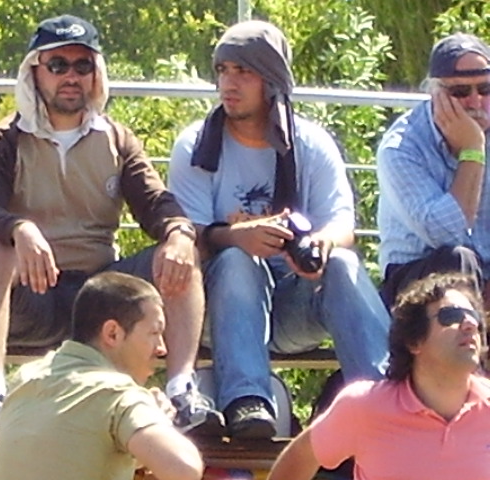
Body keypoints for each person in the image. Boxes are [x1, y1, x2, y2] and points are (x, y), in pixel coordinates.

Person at [0, 13, 223, 434]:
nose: (71, 76)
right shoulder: (5, 139)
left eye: (82, 65)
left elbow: (156, 203)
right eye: (57, 65)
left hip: (99, 301)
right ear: (35, 72)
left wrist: (179, 232)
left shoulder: (117, 139)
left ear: (96, 73)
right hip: (33, 299)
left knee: (180, 249)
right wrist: (19, 228)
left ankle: (181, 390)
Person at [169, 19, 390, 440]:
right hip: (222, 310)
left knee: (343, 263)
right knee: (238, 260)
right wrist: (236, 236)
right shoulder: (196, 145)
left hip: (292, 304)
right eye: (223, 71)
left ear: (271, 80)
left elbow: (342, 223)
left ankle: (385, 396)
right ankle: (247, 400)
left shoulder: (310, 143)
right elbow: (185, 233)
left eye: (243, 71)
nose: (228, 83)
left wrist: (320, 245)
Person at [267, 272, 490, 480]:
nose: (470, 324)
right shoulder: (363, 406)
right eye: (451, 316)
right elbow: (300, 457)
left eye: (474, 317)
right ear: (414, 341)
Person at [0, 271, 204, 480]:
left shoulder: (24, 379)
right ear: (113, 333)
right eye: (154, 333)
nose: (162, 349)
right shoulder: (117, 394)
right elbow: (184, 468)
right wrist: (158, 420)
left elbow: (76, 449)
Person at [377, 32, 490, 309]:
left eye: (485, 89)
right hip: (416, 278)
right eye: (460, 92)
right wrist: (473, 150)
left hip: (483, 271)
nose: (476, 102)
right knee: (458, 259)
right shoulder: (401, 147)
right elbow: (446, 234)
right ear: (434, 93)